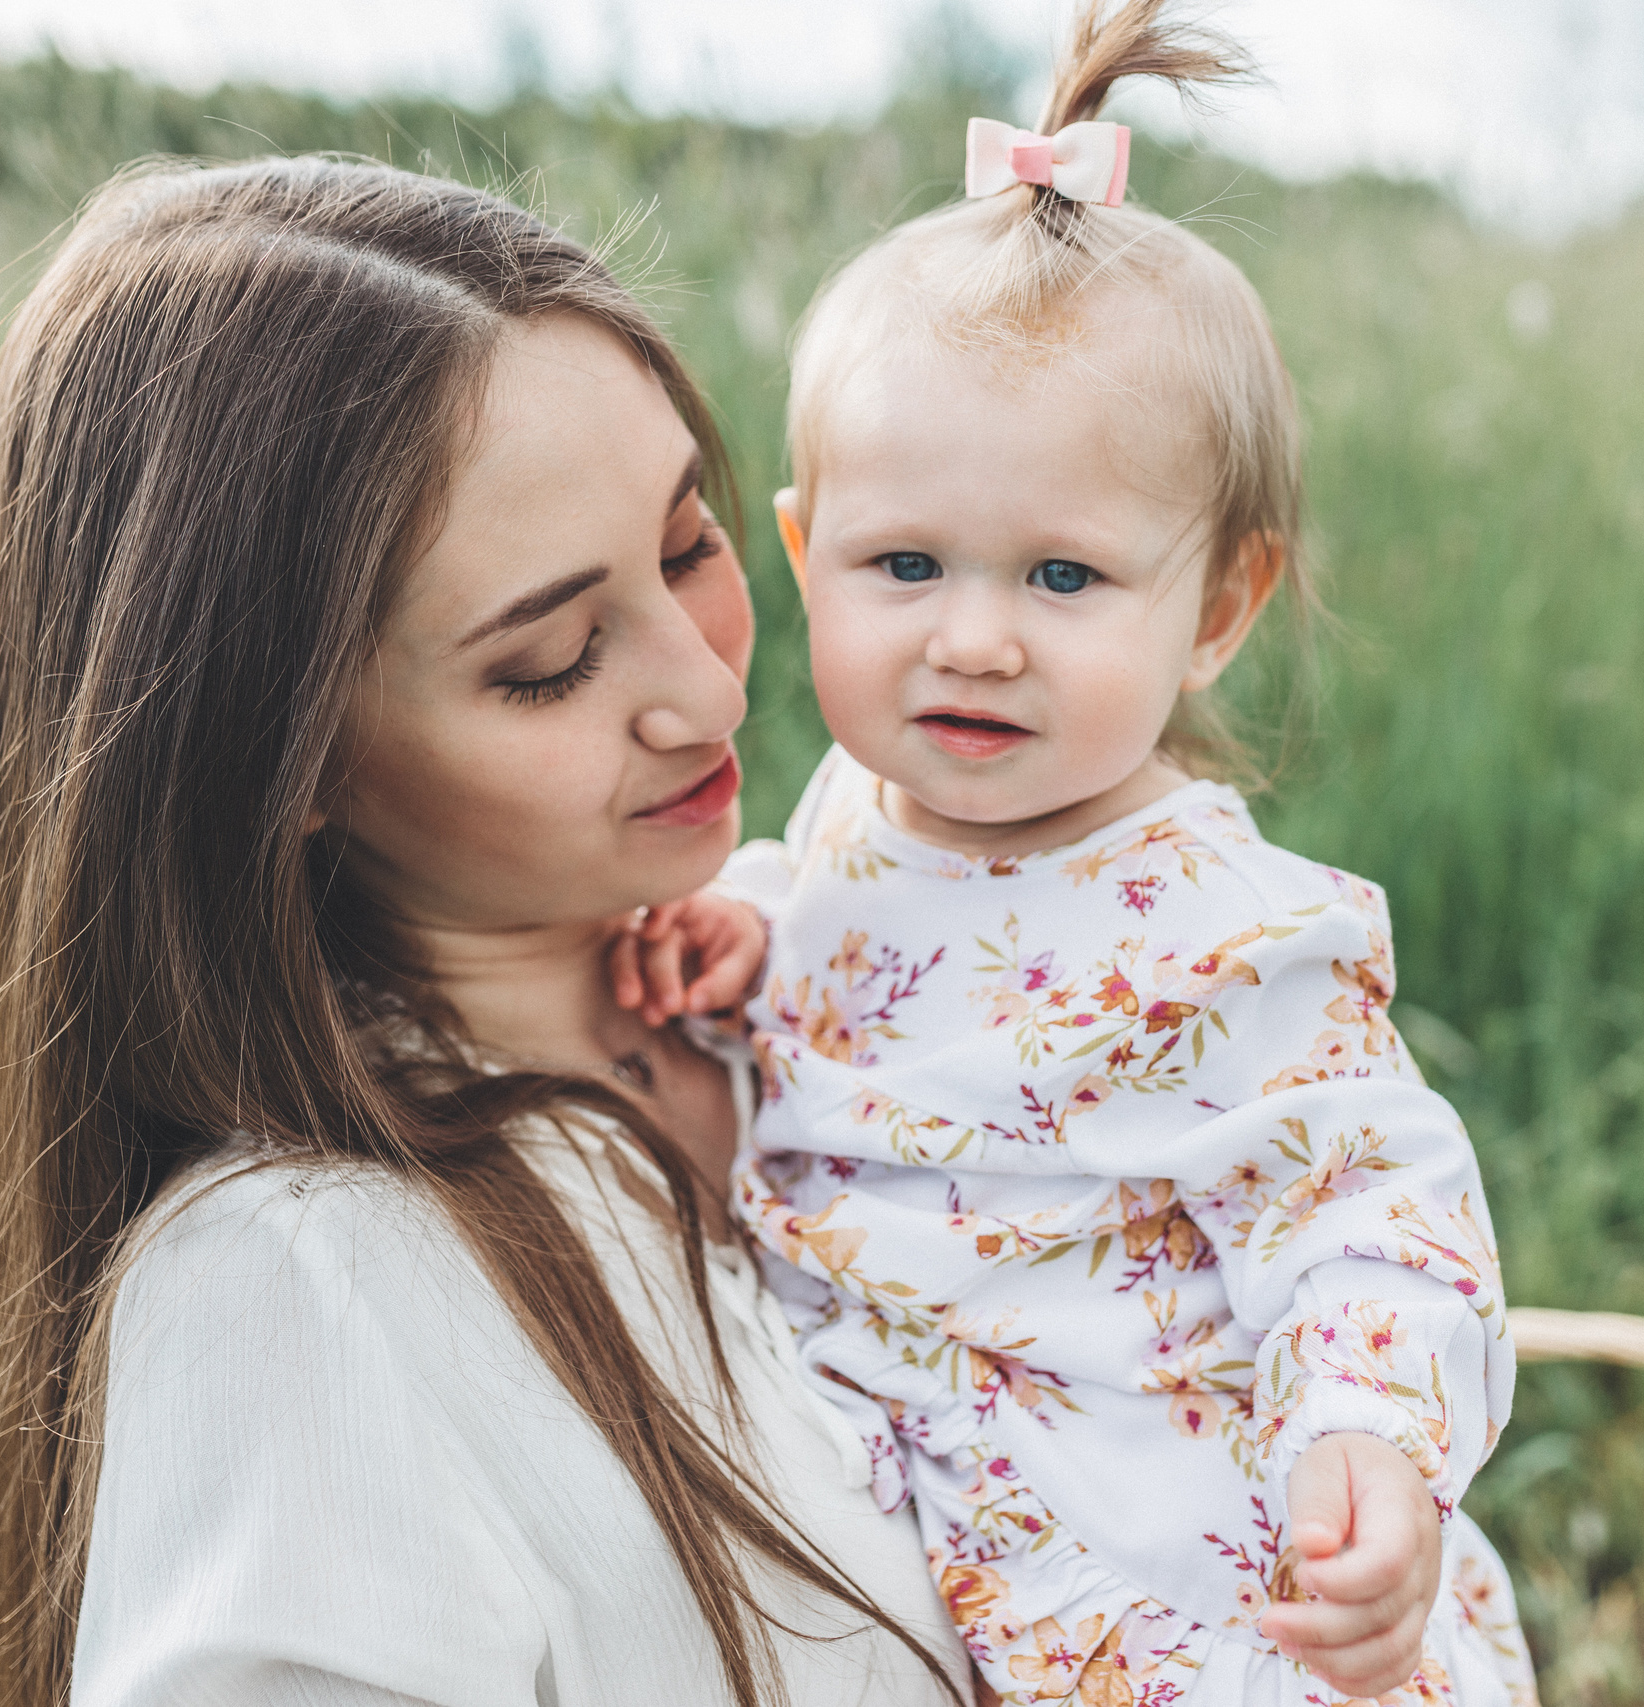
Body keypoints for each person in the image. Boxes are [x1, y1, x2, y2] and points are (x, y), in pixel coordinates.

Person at [0, 157, 974, 1706]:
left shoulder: (844, 960)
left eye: (684, 547)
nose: (716, 692)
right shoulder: (303, 1294)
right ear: (290, 756)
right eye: (551, 657)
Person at [609, 5, 1540, 1703]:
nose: (973, 640)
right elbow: (840, 945)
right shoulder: (841, 821)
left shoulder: (1226, 936)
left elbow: (1369, 1212)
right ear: (807, 555)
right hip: (896, 1510)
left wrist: (1367, 1442)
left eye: (1061, 578)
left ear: (1219, 610)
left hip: (1153, 1567)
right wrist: (746, 937)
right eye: (905, 566)